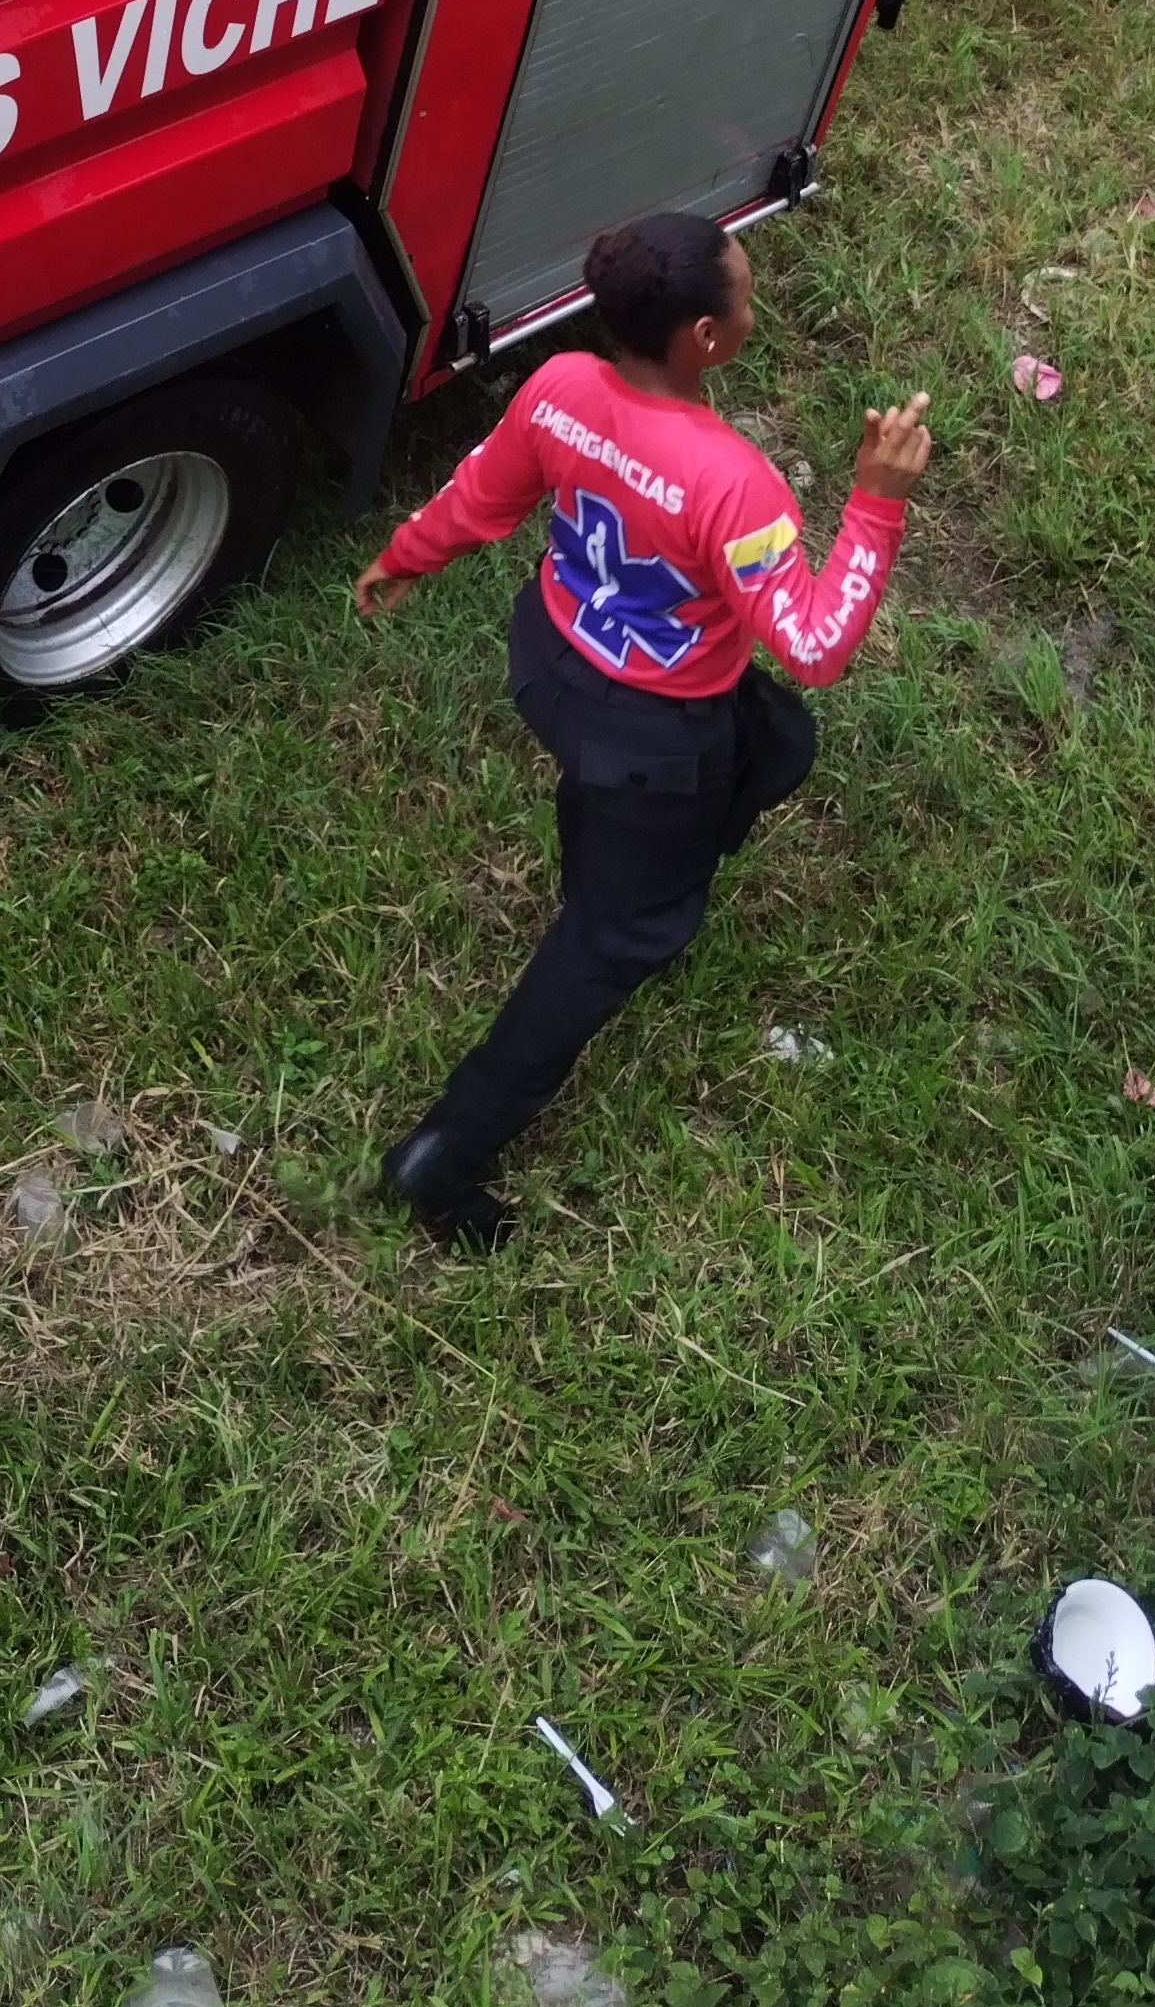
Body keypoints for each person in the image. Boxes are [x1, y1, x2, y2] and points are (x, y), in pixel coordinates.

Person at [351, 214, 930, 1251]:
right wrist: (877, 504)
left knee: (776, 740)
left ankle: (623, 861)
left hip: (551, 662)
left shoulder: (560, 387)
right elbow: (812, 643)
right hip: (651, 737)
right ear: (705, 336)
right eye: (745, 295)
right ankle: (446, 1149)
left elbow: (480, 494)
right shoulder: (731, 482)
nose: (754, 304)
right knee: (613, 938)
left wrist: (404, 556)